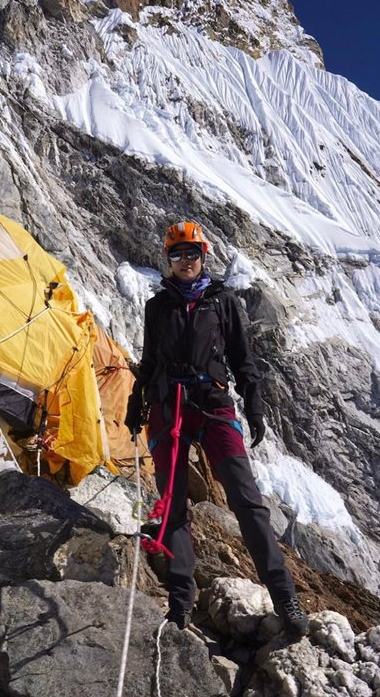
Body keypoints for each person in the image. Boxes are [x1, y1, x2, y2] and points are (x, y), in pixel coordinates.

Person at [125, 220, 307, 635]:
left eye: (191, 253)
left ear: (203, 255)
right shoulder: (158, 306)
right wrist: (138, 398)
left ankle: (285, 598)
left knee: (246, 499)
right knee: (171, 505)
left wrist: (254, 403)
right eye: (177, 254)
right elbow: (150, 358)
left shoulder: (222, 301)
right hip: (168, 406)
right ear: (168, 261)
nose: (184, 261)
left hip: (213, 403)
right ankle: (181, 602)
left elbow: (243, 358)